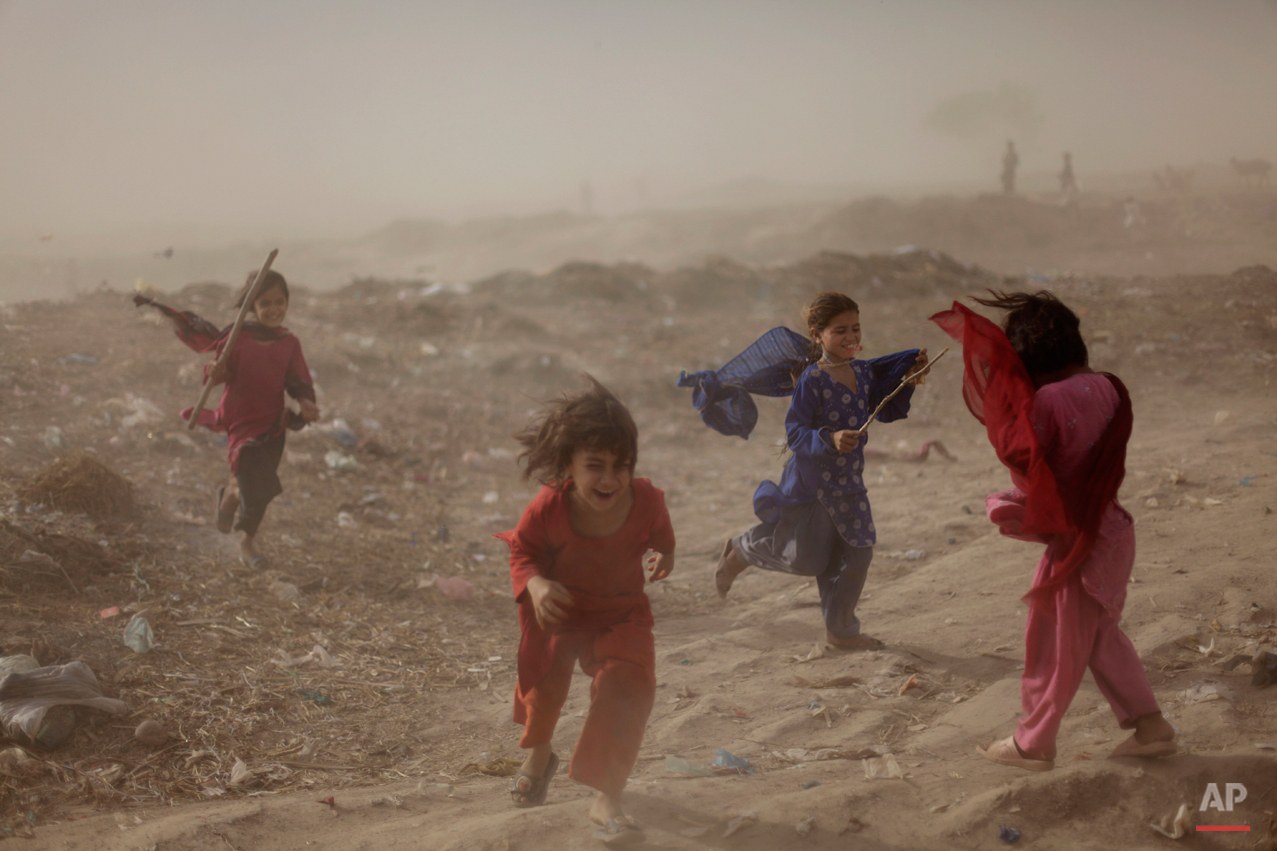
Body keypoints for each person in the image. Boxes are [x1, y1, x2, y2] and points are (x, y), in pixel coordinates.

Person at [931, 291, 1176, 772]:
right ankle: (1151, 728)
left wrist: (1010, 502)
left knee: (1054, 641)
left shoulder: (1046, 400)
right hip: (1112, 530)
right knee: (1100, 635)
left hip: (1080, 541)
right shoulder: (1109, 386)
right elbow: (1075, 467)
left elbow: (1034, 468)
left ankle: (1034, 742)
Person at [495, 377, 675, 845]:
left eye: (622, 466)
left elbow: (662, 536)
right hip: (559, 610)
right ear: (569, 465)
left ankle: (607, 796)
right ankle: (539, 756)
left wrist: (664, 556)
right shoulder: (548, 507)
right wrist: (534, 585)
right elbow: (523, 553)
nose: (611, 479)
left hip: (621, 613)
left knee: (629, 682)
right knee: (542, 688)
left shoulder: (647, 500)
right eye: (595, 466)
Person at [710, 292, 929, 650]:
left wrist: (909, 379)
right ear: (817, 335)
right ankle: (742, 549)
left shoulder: (863, 371)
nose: (851, 338)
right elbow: (795, 432)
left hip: (850, 484)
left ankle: (841, 632)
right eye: (840, 330)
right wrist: (829, 438)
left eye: (855, 329)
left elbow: (886, 409)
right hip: (814, 487)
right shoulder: (812, 380)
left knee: (858, 556)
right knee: (809, 560)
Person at [134, 270, 319, 568]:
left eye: (280, 302)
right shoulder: (238, 337)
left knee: (254, 485)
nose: (274, 309)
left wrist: (306, 402)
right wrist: (216, 371)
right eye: (265, 303)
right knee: (259, 487)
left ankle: (229, 497)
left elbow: (297, 379)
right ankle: (247, 544)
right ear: (251, 307)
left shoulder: (289, 342)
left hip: (272, 424)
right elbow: (221, 371)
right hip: (241, 422)